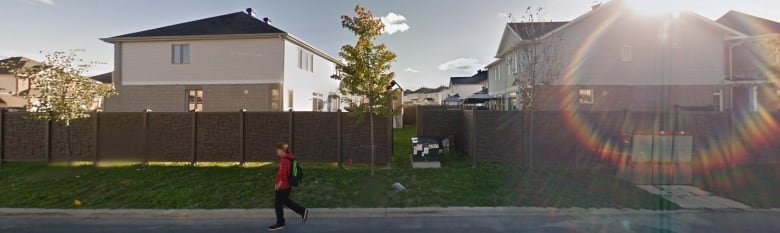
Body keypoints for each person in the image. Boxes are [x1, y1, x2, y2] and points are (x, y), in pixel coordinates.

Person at [268, 142, 308, 231]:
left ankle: (280, 223)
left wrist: (278, 186)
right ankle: (302, 211)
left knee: (278, 204)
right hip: (288, 185)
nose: (276, 151)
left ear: (282, 150)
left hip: (283, 186)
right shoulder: (290, 157)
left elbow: (283, 176)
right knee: (286, 201)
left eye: (278, 150)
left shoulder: (284, 160)